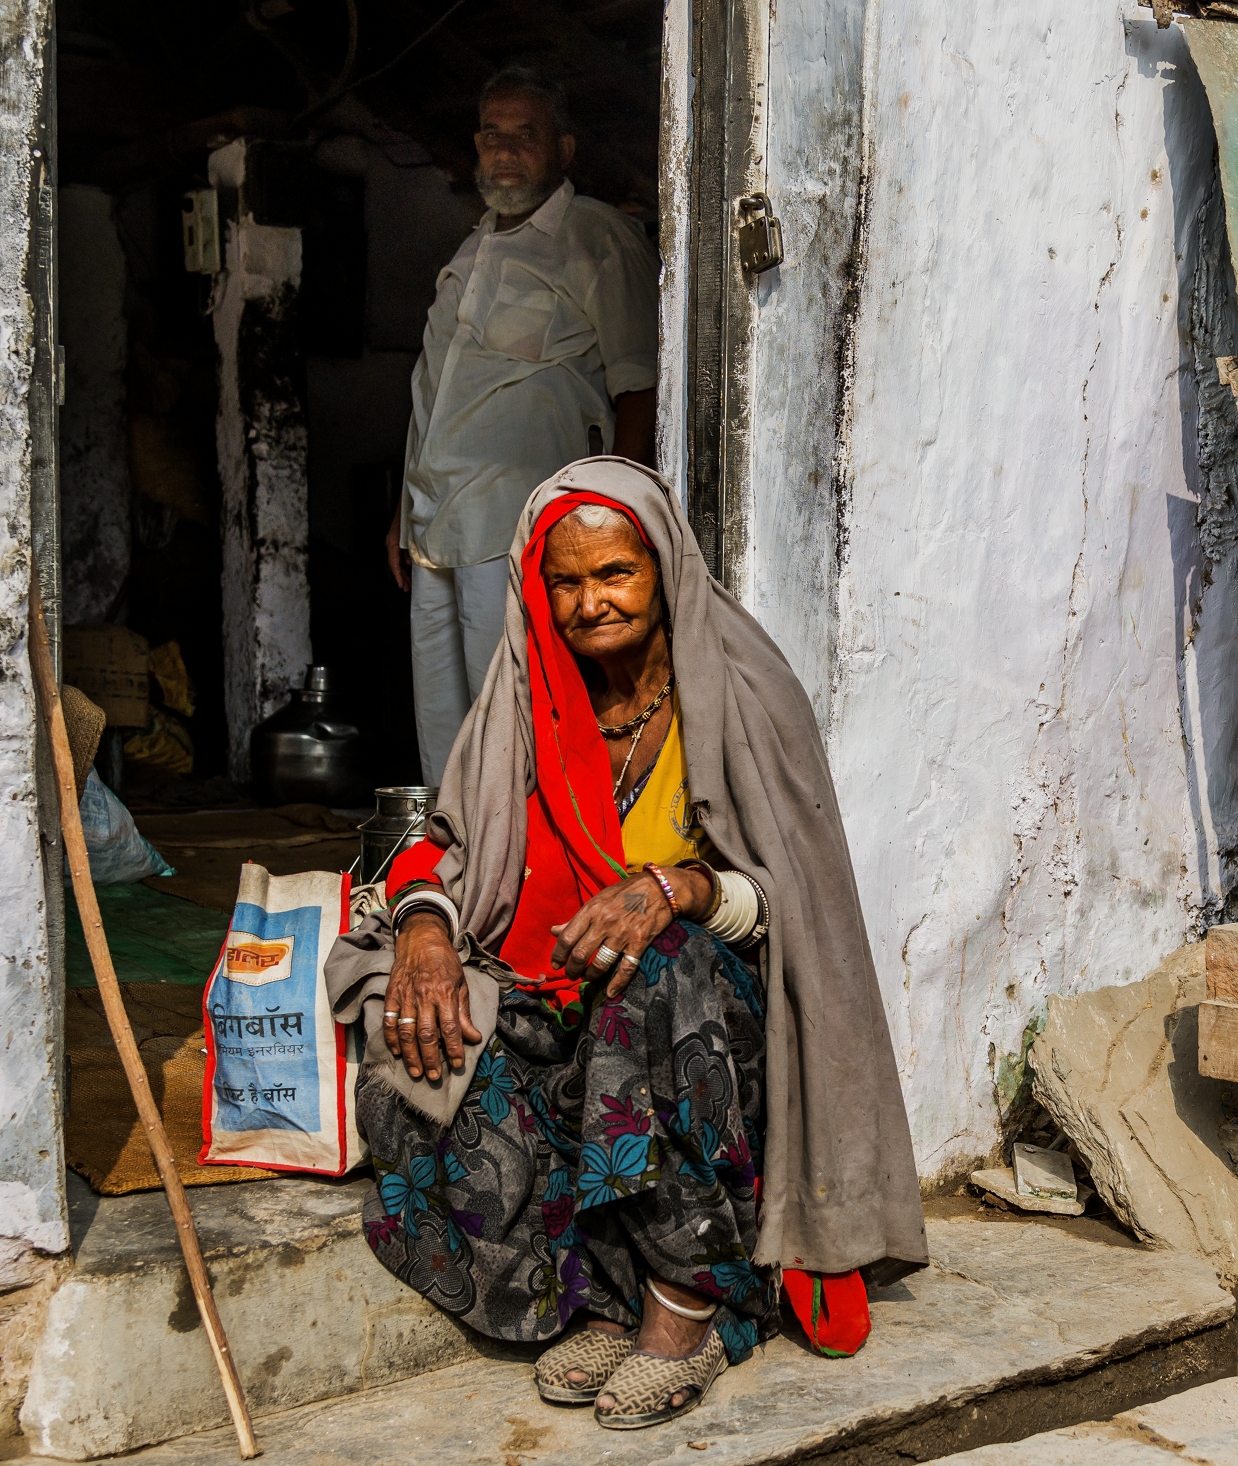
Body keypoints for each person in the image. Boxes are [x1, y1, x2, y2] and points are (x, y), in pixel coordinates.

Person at [329, 458, 927, 1430]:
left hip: (716, 1028)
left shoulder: (738, 692)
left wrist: (677, 888)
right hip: (572, 994)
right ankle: (599, 1288)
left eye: (612, 573)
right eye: (563, 581)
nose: (587, 602)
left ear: (660, 568)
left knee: (655, 971)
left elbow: (796, 907)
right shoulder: (528, 697)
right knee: (421, 1039)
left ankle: (688, 1304)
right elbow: (443, 844)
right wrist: (429, 929)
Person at [389, 67, 660, 786]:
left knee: (517, 721)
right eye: (492, 135)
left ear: (563, 150)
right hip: (434, 523)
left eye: (525, 135)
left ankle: (532, 883)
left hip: (522, 530)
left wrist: (612, 516)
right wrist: (400, 514)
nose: (504, 151)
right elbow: (436, 396)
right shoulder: (470, 251)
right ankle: (453, 885)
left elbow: (640, 385)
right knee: (445, 737)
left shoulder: (596, 238)